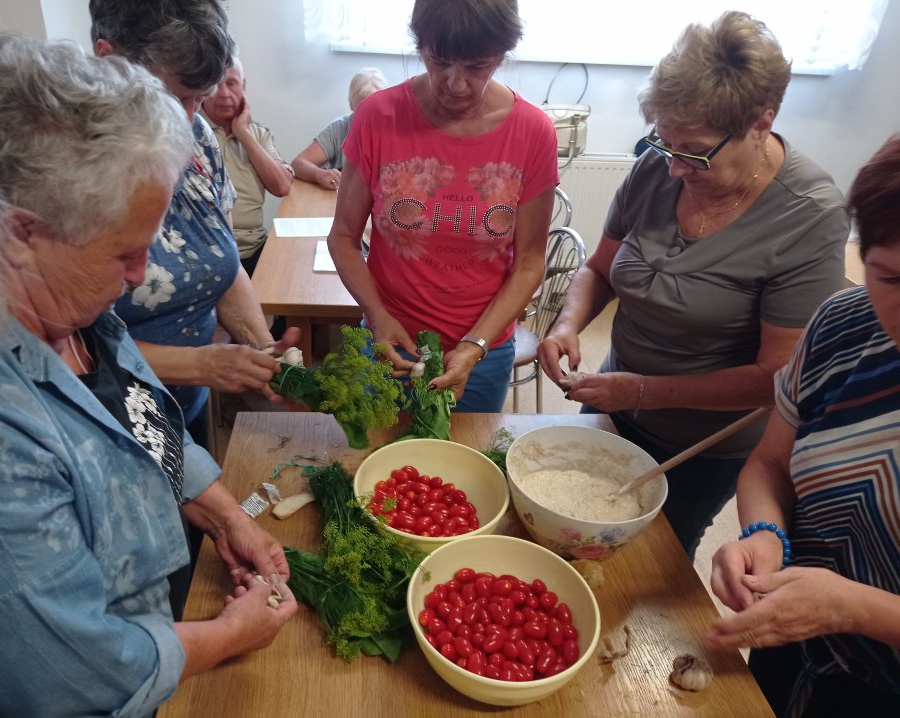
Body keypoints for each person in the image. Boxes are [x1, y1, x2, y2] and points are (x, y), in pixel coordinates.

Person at [0, 35, 296, 717]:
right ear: (20, 235)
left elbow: (140, 421)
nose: (140, 276)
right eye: (125, 253)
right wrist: (228, 635)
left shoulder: (72, 309)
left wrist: (225, 518)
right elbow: (68, 674)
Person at [538, 11, 850, 558]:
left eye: (696, 153)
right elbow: (598, 270)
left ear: (760, 122)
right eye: (664, 144)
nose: (676, 169)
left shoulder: (809, 217)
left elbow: (774, 378)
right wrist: (568, 325)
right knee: (577, 539)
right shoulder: (658, 167)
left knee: (652, 563)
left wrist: (643, 391)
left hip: (700, 446)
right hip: (612, 404)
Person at [704, 134, 900, 716]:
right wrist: (766, 534)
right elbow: (768, 464)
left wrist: (853, 607)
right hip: (792, 632)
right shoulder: (843, 325)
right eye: (890, 279)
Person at [327, 0, 558, 412]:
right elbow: (343, 237)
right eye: (440, 61)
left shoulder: (532, 132)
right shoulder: (377, 116)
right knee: (372, 463)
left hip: (482, 350)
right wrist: (376, 317)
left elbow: (528, 264)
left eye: (476, 67)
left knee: (462, 467)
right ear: (420, 47)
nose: (455, 84)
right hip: (388, 340)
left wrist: (476, 344)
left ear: (502, 55)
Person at [90, 0, 299, 447]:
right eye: (174, 98)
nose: (188, 118)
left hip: (186, 405)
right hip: (104, 420)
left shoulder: (199, 136)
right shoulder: (65, 167)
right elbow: (70, 343)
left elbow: (222, 262)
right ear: (108, 62)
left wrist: (263, 350)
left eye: (198, 99)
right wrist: (202, 365)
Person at [200, 55, 294, 276]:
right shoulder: (190, 131)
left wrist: (243, 133)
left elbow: (282, 186)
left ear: (243, 87)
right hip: (208, 253)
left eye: (231, 83)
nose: (224, 93)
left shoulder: (258, 135)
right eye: (215, 85)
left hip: (253, 249)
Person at [291, 67, 388, 190]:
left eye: (375, 109)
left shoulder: (395, 132)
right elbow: (298, 164)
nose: (368, 117)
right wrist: (319, 174)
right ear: (351, 104)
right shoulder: (339, 128)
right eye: (362, 109)